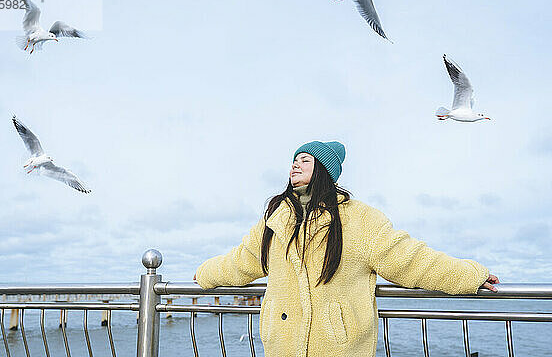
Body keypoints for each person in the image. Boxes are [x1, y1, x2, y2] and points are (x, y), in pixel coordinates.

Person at [194, 140, 499, 357]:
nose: (295, 165)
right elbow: (242, 260)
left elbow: (410, 259)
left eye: (305, 160)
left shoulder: (359, 218)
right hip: (280, 346)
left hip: (338, 347)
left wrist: (468, 276)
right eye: (294, 160)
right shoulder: (276, 217)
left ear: (324, 169)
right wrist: (204, 274)